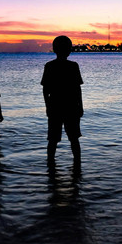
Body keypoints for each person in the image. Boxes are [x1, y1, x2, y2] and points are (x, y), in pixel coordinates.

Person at [41, 36, 84, 165]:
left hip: (55, 106)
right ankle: (77, 166)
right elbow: (77, 90)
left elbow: (45, 90)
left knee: (53, 139)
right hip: (71, 106)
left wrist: (48, 106)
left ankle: (51, 167)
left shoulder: (50, 66)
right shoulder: (73, 66)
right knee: (74, 139)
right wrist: (80, 106)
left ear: (54, 49)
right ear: (69, 50)